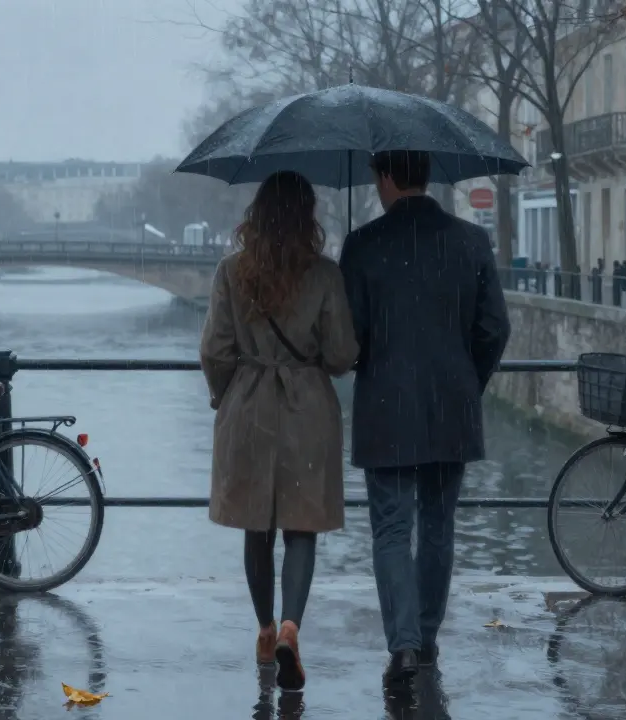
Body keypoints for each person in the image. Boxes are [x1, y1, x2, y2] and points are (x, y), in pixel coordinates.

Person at [339, 150, 510, 686]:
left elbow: (350, 339)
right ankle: (428, 636)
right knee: (438, 524)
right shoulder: (471, 240)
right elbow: (494, 329)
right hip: (450, 406)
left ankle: (404, 645)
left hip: (387, 407)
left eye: (377, 177)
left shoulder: (363, 244)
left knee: (392, 527)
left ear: (387, 176)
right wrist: (465, 381)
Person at [199, 170, 360, 692]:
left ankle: (266, 630)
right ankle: (293, 625)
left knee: (256, 527)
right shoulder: (325, 275)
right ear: (307, 216)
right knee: (301, 525)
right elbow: (340, 355)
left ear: (258, 215)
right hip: (307, 410)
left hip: (247, 404)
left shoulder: (231, 272)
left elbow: (214, 351)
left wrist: (225, 395)